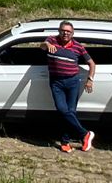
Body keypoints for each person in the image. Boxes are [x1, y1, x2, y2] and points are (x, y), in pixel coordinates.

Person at [44, 20, 96, 152]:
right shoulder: (51, 40)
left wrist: (90, 79)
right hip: (56, 82)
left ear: (72, 33)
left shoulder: (78, 47)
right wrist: (46, 44)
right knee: (62, 110)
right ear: (59, 31)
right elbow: (42, 45)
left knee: (70, 112)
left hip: (73, 82)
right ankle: (85, 134)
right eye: (63, 30)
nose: (65, 33)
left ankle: (65, 142)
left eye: (68, 31)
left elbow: (91, 63)